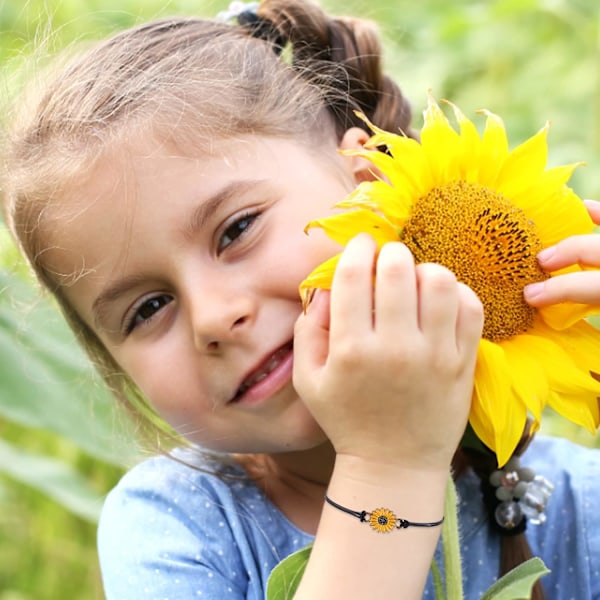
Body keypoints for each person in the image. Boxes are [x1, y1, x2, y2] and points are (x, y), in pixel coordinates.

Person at [1, 1, 599, 598]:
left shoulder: (575, 499)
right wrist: (389, 466)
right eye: (148, 308)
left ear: (369, 184)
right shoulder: (174, 528)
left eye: (236, 230)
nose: (214, 318)